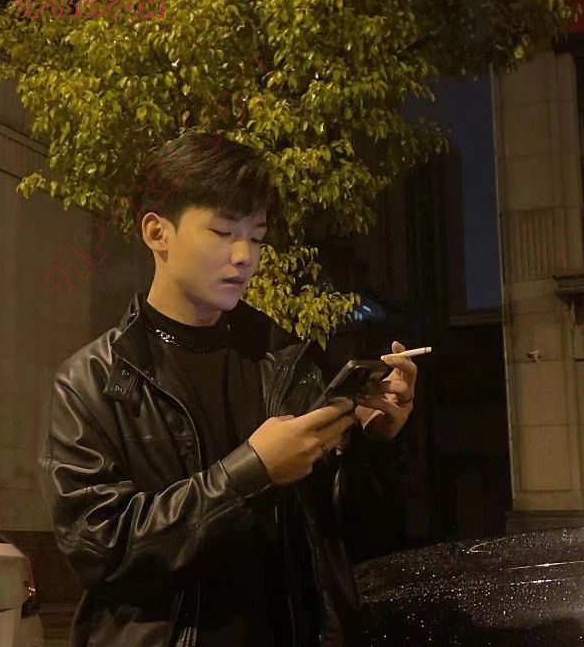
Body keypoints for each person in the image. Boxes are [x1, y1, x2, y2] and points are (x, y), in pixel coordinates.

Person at [39, 132, 417, 647]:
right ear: (157, 232)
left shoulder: (285, 361)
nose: (245, 256)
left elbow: (351, 537)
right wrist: (251, 473)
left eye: (257, 237)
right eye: (222, 232)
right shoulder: (93, 382)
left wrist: (376, 445)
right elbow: (104, 552)